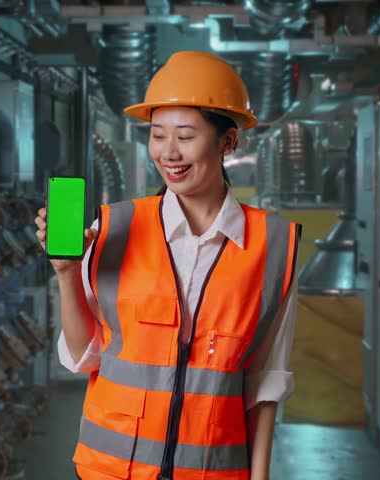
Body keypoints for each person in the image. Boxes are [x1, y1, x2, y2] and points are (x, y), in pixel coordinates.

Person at [35, 50, 302, 480]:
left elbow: (265, 381)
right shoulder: (115, 226)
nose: (168, 153)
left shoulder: (273, 246)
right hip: (111, 471)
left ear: (227, 141)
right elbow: (85, 356)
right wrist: (66, 274)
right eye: (157, 135)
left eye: (185, 135)